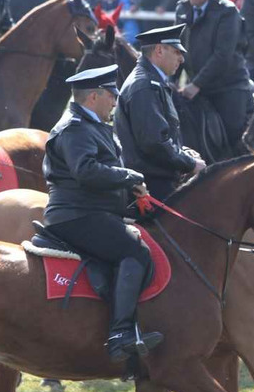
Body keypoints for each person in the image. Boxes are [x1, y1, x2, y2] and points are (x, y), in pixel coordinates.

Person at [41, 64, 163, 362]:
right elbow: (86, 171)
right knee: (135, 252)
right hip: (76, 215)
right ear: (94, 96)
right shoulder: (75, 128)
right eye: (111, 95)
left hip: (93, 211)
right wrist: (129, 177)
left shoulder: (92, 124)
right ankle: (121, 333)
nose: (115, 101)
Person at [116, 24, 205, 199]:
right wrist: (190, 163)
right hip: (151, 185)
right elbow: (154, 142)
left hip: (156, 179)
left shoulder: (151, 82)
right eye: (177, 52)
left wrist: (183, 152)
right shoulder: (145, 86)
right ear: (159, 50)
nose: (181, 59)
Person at [174, 0, 254, 155]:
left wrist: (196, 84)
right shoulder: (182, 8)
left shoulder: (227, 12)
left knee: (233, 137)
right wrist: (172, 79)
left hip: (228, 87)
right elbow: (176, 47)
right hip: (196, 87)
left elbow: (222, 56)